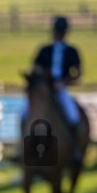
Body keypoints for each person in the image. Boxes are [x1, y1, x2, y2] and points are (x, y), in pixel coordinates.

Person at [22, 14, 83, 160]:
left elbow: (77, 73)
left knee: (73, 115)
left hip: (61, 90)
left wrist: (63, 82)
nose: (59, 34)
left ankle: (74, 149)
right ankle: (21, 148)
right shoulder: (45, 50)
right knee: (23, 112)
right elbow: (35, 69)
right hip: (44, 91)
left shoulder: (71, 51)